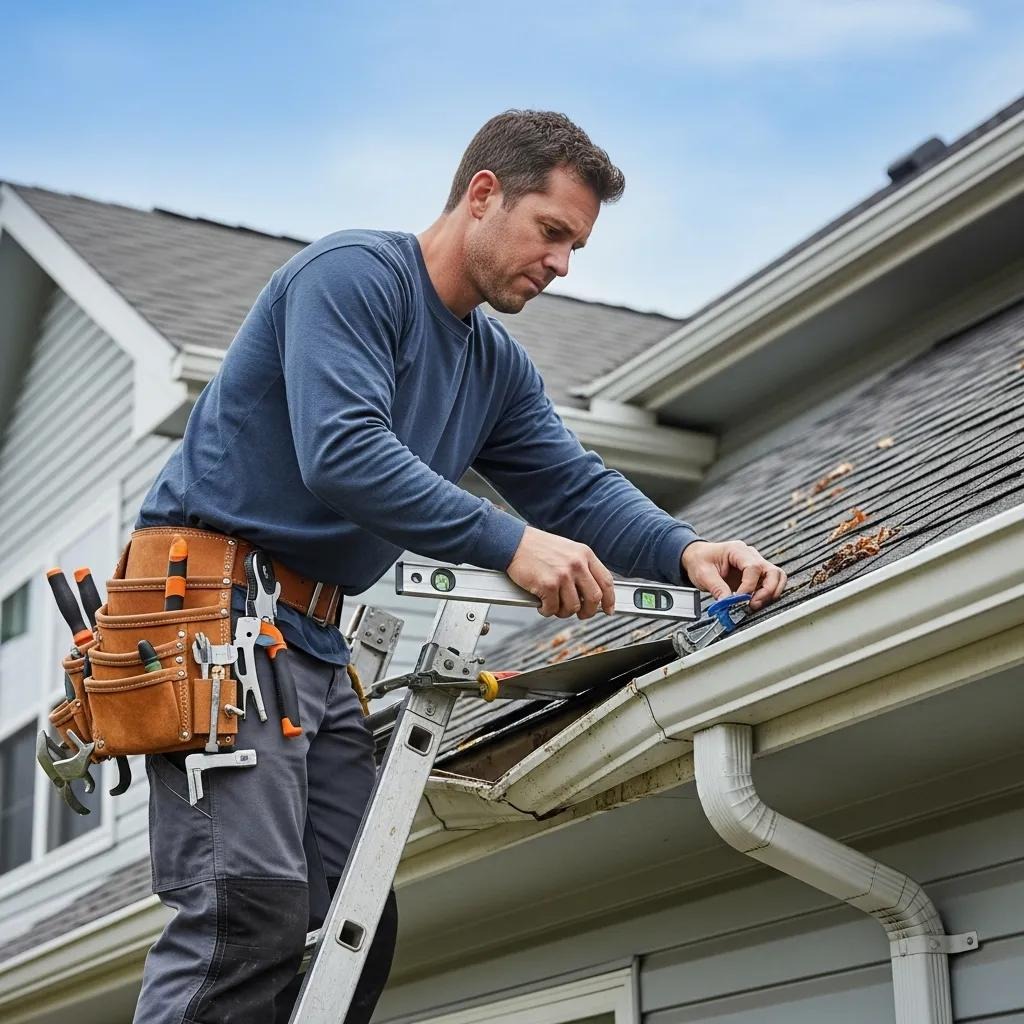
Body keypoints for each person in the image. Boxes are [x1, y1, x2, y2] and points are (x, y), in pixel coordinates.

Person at [130, 109, 786, 1024]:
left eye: (577, 247)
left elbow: (576, 490)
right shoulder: (354, 277)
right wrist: (510, 541)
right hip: (215, 610)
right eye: (551, 232)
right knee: (247, 909)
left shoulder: (494, 368)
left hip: (312, 643)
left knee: (351, 928)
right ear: (483, 195)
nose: (562, 264)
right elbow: (344, 451)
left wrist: (684, 549)